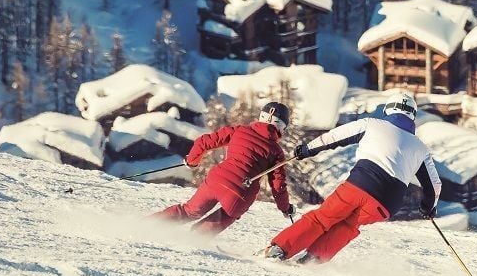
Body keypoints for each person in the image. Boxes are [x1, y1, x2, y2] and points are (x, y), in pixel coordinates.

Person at [263, 92, 441, 264]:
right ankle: (313, 259)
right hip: (386, 205)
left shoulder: (371, 124)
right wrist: (428, 207)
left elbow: (334, 137)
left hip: (360, 185)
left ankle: (279, 249)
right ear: (412, 116)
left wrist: (308, 149)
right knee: (348, 226)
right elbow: (434, 185)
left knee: (322, 218)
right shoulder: (420, 148)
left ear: (388, 110)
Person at [155, 102, 294, 234]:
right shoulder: (276, 152)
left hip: (217, 180)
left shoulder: (239, 130)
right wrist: (285, 208)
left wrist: (192, 161)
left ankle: (150, 225)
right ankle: (194, 239)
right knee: (227, 215)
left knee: (189, 211)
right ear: (281, 127)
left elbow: (204, 142)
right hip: (241, 192)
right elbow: (278, 185)